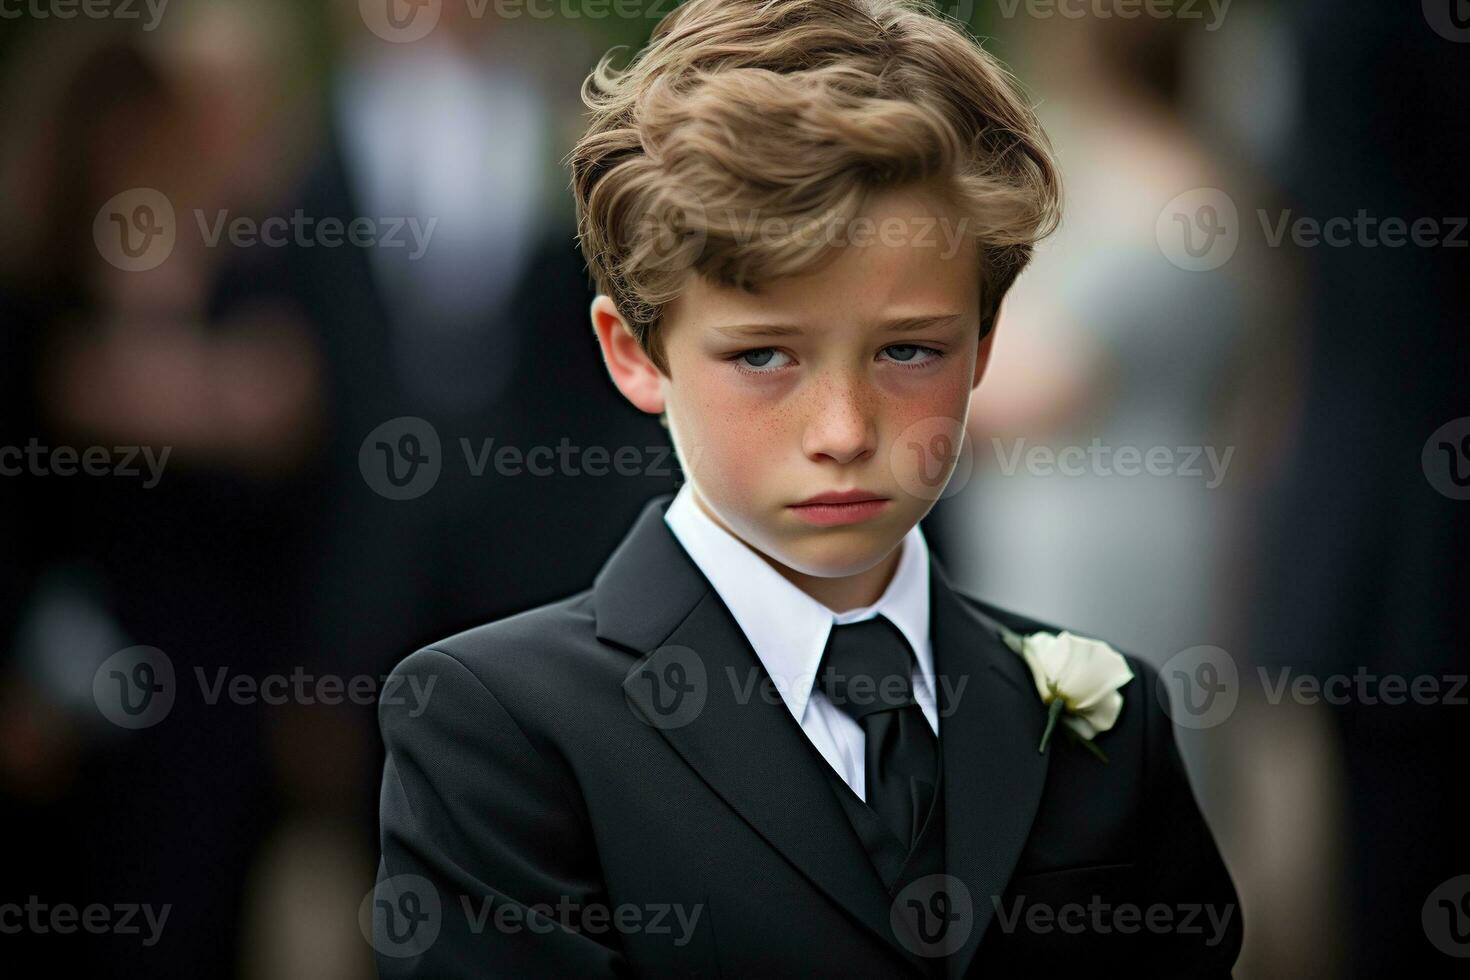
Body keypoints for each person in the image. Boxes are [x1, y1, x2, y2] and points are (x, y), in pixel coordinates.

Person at [373, 2, 1240, 976]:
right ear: (635, 352)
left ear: (985, 343)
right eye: (765, 355)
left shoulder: (1112, 722)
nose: (844, 432)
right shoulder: (498, 726)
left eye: (909, 349)